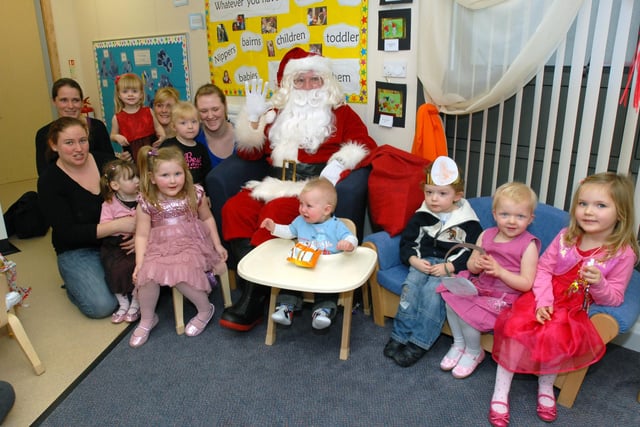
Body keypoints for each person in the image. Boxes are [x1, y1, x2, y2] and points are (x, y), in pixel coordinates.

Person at [218, 47, 377, 332]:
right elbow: (249, 154)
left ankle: (252, 299)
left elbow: (364, 146)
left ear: (325, 82)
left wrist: (335, 168)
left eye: (314, 80)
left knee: (276, 212)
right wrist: (251, 122)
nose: (307, 87)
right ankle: (257, 288)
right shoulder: (276, 113)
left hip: (311, 188)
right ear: (288, 84)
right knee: (235, 209)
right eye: (299, 80)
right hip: (274, 182)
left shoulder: (341, 113)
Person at [488, 172, 639, 426]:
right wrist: (543, 301)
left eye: (600, 205)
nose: (589, 212)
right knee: (515, 327)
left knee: (557, 335)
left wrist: (599, 283)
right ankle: (500, 391)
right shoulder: (566, 236)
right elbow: (544, 270)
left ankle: (546, 387)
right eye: (583, 204)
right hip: (543, 295)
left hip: (573, 306)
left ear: (621, 213)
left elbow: (614, 298)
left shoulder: (622, 253)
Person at [383, 156, 482, 368]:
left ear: (457, 196)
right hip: (423, 261)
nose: (433, 199)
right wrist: (413, 260)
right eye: (429, 192)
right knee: (411, 288)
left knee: (431, 295)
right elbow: (408, 241)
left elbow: (472, 251)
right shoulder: (422, 215)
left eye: (442, 193)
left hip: (450, 267)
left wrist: (451, 266)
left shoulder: (469, 221)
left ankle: (419, 342)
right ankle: (400, 335)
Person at [437, 182, 540, 379]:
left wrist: (500, 272)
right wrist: (477, 265)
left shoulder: (529, 245)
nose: (512, 221)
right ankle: (459, 344)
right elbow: (470, 265)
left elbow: (526, 283)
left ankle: (475, 352)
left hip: (505, 297)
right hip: (481, 286)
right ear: (494, 214)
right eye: (505, 214)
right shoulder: (485, 235)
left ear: (530, 219)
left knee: (470, 317)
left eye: (520, 216)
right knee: (451, 301)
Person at [38, 117, 135, 318]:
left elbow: (136, 198)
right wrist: (118, 225)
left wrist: (139, 234)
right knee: (102, 306)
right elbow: (67, 233)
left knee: (157, 282)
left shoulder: (107, 163)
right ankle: (74, 284)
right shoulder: (49, 181)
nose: (78, 148)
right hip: (78, 249)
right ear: (54, 145)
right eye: (69, 143)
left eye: (83, 140)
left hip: (118, 241)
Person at [130, 145, 227, 348]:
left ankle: (204, 309)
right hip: (160, 246)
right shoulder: (146, 202)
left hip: (192, 242)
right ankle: (147, 318)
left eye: (177, 173)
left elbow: (208, 219)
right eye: (165, 175)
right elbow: (141, 234)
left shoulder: (194, 193)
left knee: (180, 272)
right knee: (146, 276)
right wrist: (139, 263)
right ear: (153, 178)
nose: (173, 180)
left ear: (186, 173)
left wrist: (217, 244)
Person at [260, 177, 357, 329]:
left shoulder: (336, 226)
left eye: (309, 206)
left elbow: (351, 237)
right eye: (301, 204)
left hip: (326, 271)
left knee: (328, 290)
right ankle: (285, 309)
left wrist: (349, 244)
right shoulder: (300, 221)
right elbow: (289, 231)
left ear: (326, 209)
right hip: (302, 267)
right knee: (288, 283)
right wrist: (274, 228)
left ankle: (322, 312)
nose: (302, 209)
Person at [35, 78, 116, 176]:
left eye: (75, 100)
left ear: (82, 102)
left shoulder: (97, 127)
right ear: (54, 101)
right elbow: (44, 174)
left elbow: (111, 164)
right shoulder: (44, 134)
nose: (70, 106)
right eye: (64, 100)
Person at [99, 159, 140, 324]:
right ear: (115, 185)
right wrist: (123, 225)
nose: (137, 180)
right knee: (113, 268)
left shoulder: (144, 198)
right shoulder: (109, 204)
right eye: (131, 178)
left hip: (140, 242)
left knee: (138, 268)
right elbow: (105, 225)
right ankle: (123, 303)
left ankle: (136, 302)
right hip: (116, 243)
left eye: (137, 176)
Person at [110, 73, 165, 162]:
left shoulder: (148, 111)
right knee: (136, 173)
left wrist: (162, 136)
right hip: (132, 156)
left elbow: (158, 126)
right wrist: (116, 137)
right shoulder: (117, 117)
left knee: (154, 168)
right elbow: (112, 135)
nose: (130, 94)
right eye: (125, 91)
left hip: (151, 151)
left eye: (134, 91)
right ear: (119, 94)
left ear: (141, 94)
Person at [160, 101, 212, 185]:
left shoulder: (201, 148)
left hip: (196, 191)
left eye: (194, 122)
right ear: (174, 127)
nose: (190, 127)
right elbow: (156, 163)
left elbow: (207, 173)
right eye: (183, 123)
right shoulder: (168, 145)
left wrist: (207, 194)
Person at [193, 84, 235, 168]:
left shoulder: (244, 138)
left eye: (215, 109)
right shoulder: (193, 140)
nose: (210, 116)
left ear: (225, 106)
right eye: (204, 111)